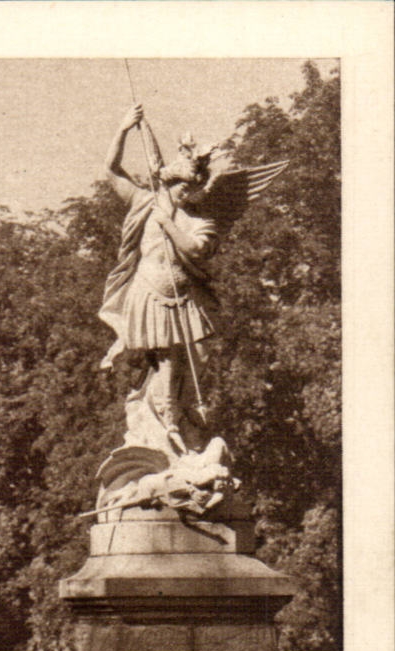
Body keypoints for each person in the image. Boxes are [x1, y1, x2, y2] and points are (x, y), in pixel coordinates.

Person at [98, 103, 289, 462]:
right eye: (183, 187)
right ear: (170, 182)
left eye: (194, 188)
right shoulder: (144, 201)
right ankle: (167, 423)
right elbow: (111, 170)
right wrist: (124, 129)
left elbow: (198, 250)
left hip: (188, 299)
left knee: (197, 358)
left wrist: (169, 224)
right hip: (150, 294)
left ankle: (185, 420)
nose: (189, 194)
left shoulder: (200, 217)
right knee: (165, 362)